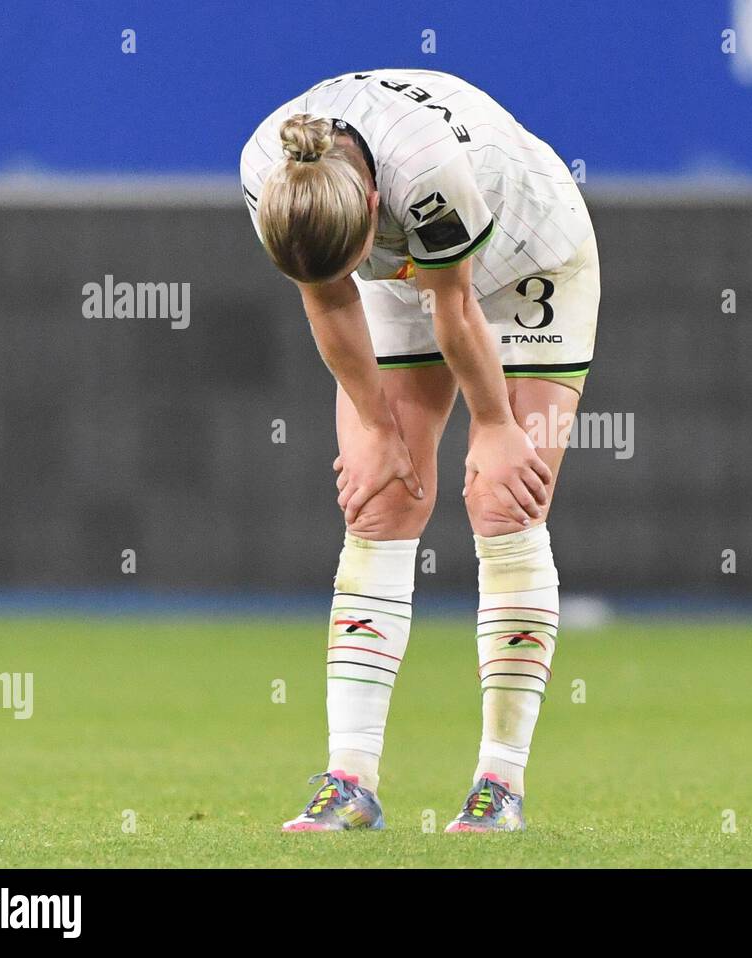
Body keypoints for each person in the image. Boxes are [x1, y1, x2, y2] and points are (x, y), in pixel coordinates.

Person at [239, 69, 599, 832]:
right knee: (381, 499)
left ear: (372, 207)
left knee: (503, 501)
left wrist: (497, 424)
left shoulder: (426, 173)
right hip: (415, 277)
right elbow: (330, 293)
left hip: (531, 257)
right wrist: (373, 427)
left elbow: (456, 302)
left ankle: (499, 784)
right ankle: (349, 778)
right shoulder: (270, 174)